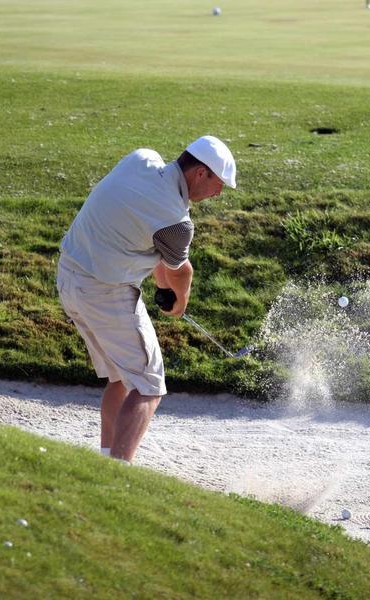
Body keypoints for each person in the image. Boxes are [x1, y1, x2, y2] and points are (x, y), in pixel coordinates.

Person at [56, 135, 236, 463]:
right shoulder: (177, 223)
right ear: (200, 173)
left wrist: (164, 284)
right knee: (150, 386)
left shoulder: (140, 158)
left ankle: (104, 461)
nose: (219, 192)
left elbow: (151, 246)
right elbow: (182, 272)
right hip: (104, 294)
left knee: (122, 380)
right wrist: (180, 302)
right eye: (219, 183)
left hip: (69, 277)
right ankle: (118, 474)